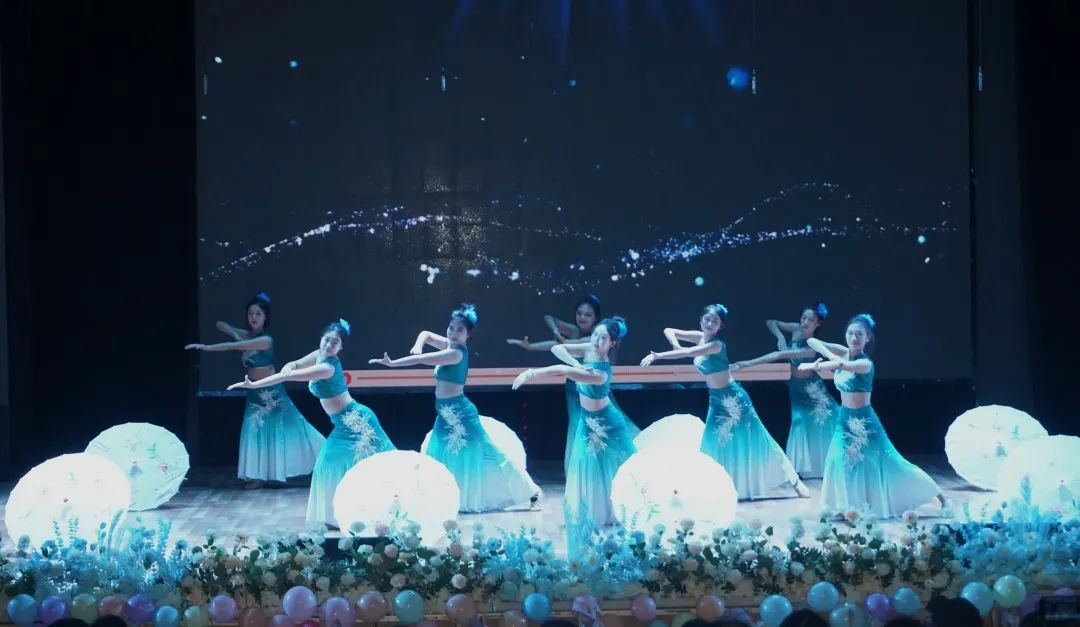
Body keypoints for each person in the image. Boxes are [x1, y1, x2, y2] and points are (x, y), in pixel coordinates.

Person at [371, 304, 540, 512]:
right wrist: (418, 344)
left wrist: (393, 363)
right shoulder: (449, 345)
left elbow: (422, 359)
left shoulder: (456, 353)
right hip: (445, 414)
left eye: (460, 330)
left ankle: (530, 491)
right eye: (451, 328)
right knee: (441, 456)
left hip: (460, 415)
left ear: (468, 335)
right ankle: (441, 496)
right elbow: (425, 334)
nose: (453, 333)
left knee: (489, 455)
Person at [228, 319, 395, 526]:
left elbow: (287, 377)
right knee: (333, 464)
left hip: (357, 422)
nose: (329, 345)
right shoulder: (319, 355)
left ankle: (372, 512)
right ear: (321, 339)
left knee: (359, 464)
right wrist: (289, 365)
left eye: (335, 342)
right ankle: (342, 515)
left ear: (341, 347)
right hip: (344, 423)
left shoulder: (326, 367)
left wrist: (255, 384)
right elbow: (295, 365)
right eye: (327, 339)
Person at [641, 304, 808, 500]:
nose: (710, 323)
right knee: (710, 442)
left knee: (760, 438)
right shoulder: (700, 337)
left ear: (721, 326)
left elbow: (688, 354)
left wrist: (657, 355)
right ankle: (706, 487)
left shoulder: (716, 345)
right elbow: (669, 330)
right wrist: (676, 344)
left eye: (715, 321)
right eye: (707, 319)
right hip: (716, 400)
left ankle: (795, 481)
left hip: (734, 399)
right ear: (701, 320)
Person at [800, 313, 947, 517]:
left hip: (865, 422)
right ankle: (842, 507)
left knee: (893, 462)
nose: (854, 338)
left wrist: (817, 364)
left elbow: (842, 365)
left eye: (859, 334)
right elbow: (812, 341)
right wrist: (821, 360)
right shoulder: (842, 353)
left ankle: (942, 497)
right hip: (844, 420)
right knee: (836, 460)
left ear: (868, 338)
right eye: (850, 333)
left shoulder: (865, 363)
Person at [514, 316, 639, 555]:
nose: (597, 340)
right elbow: (557, 348)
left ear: (612, 343)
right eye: (596, 335)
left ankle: (625, 508)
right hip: (586, 421)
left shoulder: (601, 371)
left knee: (615, 466)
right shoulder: (589, 349)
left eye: (603, 338)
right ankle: (595, 511)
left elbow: (563, 370)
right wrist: (577, 363)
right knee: (586, 466)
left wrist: (531, 373)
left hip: (607, 424)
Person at [186, 293, 323, 489]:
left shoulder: (266, 339)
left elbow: (233, 346)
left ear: (265, 317)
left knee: (295, 427)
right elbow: (220, 324)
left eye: (258, 313)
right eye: (250, 313)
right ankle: (257, 476)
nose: (253, 317)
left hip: (272, 392)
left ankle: (323, 460)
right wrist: (237, 333)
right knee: (253, 431)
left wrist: (206, 347)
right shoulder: (249, 335)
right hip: (254, 392)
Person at [507, 294, 612, 477]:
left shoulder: (595, 339)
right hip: (574, 388)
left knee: (596, 428)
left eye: (588, 315)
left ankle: (597, 470)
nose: (582, 317)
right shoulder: (576, 331)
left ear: (596, 318)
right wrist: (544, 338)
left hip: (591, 389)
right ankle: (581, 472)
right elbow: (549, 321)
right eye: (579, 313)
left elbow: (561, 344)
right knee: (578, 427)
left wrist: (554, 339)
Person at [731, 302, 838, 478]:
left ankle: (826, 466)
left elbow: (780, 355)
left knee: (824, 422)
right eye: (803, 317)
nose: (805, 322)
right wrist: (780, 337)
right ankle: (800, 469)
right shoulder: (796, 328)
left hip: (813, 390)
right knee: (799, 422)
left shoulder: (811, 347)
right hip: (796, 388)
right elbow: (771, 322)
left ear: (818, 323)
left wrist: (747, 363)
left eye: (810, 320)